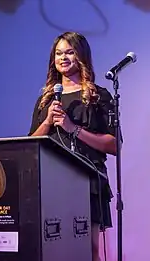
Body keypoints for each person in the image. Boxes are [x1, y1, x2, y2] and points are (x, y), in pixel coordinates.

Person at [28, 31, 117, 261]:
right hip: (50, 184)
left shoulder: (98, 96)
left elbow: (114, 145)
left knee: (90, 251)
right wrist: (48, 122)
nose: (63, 58)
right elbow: (30, 145)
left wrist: (73, 128)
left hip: (88, 182)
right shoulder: (46, 99)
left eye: (69, 52)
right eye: (58, 53)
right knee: (51, 250)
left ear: (81, 56)